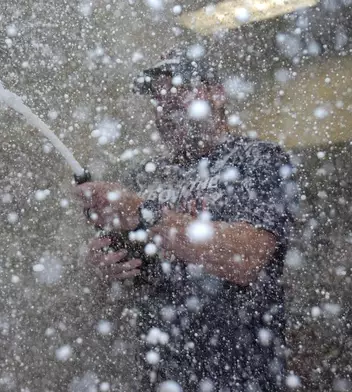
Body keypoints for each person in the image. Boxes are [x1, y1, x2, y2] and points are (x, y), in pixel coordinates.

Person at [74, 46, 297, 391]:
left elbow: (247, 259)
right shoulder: (144, 176)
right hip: (163, 378)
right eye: (158, 97)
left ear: (217, 93)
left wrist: (143, 213)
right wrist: (105, 271)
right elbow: (123, 291)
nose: (166, 104)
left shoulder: (258, 161)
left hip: (240, 378)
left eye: (179, 89)